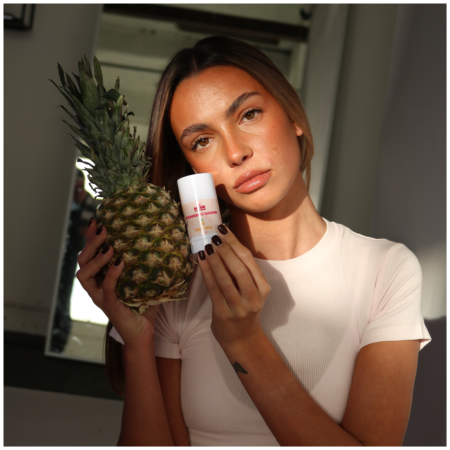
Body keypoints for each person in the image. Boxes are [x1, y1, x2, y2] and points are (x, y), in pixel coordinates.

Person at [76, 36, 431, 446]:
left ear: (293, 115)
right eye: (202, 141)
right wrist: (138, 344)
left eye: (248, 114)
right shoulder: (176, 284)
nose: (235, 152)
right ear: (192, 170)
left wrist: (243, 340)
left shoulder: (385, 270)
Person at [50, 169, 99, 353]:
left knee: (64, 293)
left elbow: (86, 233)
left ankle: (60, 337)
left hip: (73, 254)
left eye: (79, 188)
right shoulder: (63, 200)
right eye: (74, 188)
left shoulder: (89, 203)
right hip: (59, 252)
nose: (77, 192)